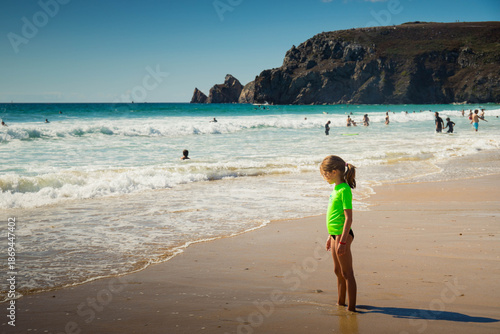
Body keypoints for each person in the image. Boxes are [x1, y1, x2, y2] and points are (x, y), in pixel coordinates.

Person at [320, 155, 357, 312]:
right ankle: (340, 302)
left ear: (334, 172)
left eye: (325, 174)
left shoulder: (344, 190)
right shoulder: (335, 189)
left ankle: (351, 308)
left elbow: (348, 218)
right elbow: (335, 216)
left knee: (347, 272)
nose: (324, 177)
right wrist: (330, 236)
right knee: (337, 271)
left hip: (343, 235)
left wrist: (342, 242)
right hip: (335, 234)